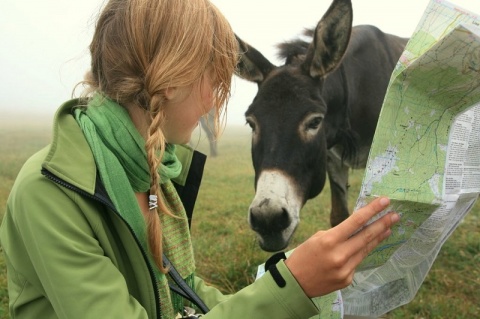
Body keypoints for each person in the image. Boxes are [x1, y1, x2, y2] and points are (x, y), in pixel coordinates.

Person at [0, 0, 400, 318]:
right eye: (212, 81)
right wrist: (290, 287)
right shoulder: (49, 194)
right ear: (167, 78)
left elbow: (179, 293)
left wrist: (290, 284)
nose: (213, 103)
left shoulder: (153, 171)